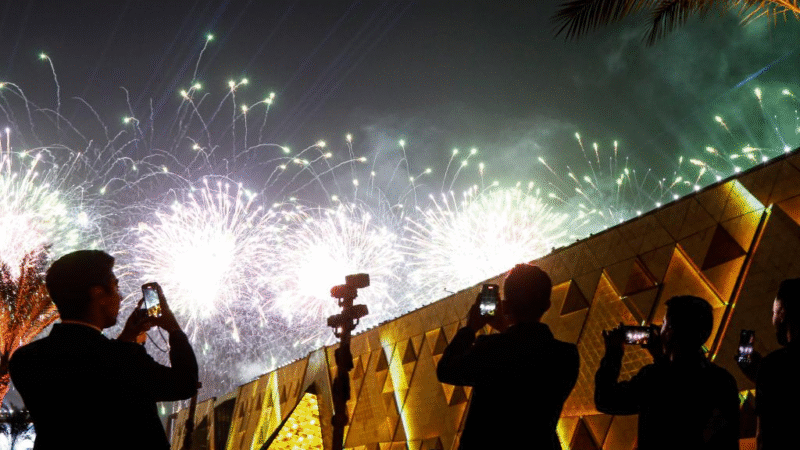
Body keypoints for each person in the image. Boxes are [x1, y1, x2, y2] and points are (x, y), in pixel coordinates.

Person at [9, 250, 198, 450]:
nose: (121, 296)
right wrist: (173, 328)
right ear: (98, 293)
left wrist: (126, 340)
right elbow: (184, 383)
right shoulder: (123, 359)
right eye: (116, 286)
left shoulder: (25, 359)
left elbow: (94, 379)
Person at [436, 264, 579, 449]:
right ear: (547, 305)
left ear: (506, 305)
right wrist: (506, 330)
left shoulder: (490, 348)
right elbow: (525, 357)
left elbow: (446, 370)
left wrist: (470, 327)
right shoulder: (567, 355)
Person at [595, 295, 739, 450]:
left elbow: (606, 399)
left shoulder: (652, 379)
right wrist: (661, 357)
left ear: (670, 331)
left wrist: (613, 352)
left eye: (664, 323)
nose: (659, 329)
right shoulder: (723, 380)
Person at [749, 278, 800, 449]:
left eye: (774, 313)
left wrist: (763, 376)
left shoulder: (774, 365)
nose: (773, 321)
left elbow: (765, 436)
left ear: (783, 313)